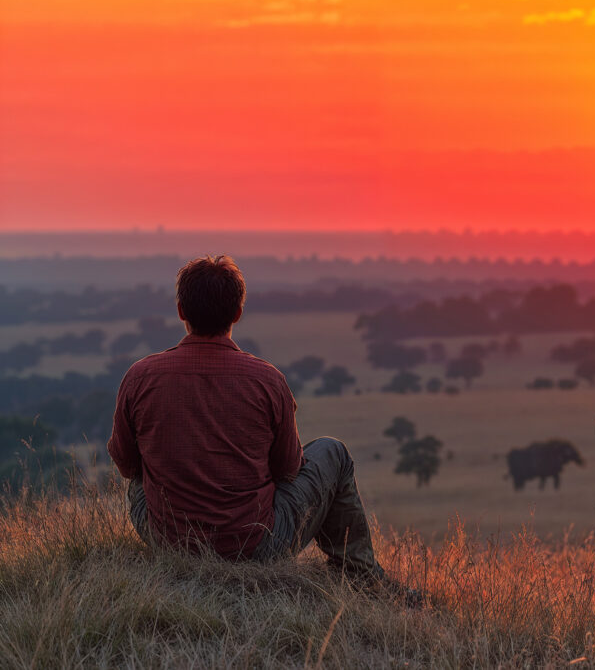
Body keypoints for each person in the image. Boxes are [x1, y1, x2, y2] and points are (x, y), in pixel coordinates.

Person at [107, 255, 419, 604]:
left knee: (141, 470)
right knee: (333, 452)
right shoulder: (267, 380)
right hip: (256, 545)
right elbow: (288, 470)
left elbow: (126, 466)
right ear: (238, 313)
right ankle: (363, 578)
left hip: (168, 540)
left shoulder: (140, 377)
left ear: (181, 311)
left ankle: (360, 577)